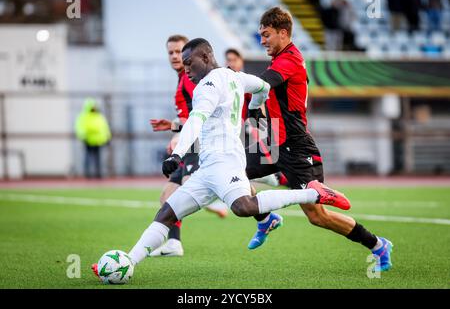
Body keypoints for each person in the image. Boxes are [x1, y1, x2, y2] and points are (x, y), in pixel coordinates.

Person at [92, 38, 351, 277]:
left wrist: (178, 154)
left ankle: (313, 193)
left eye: (189, 62)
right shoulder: (233, 76)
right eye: (183, 65)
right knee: (166, 213)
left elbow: (196, 119)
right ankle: (128, 262)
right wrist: (253, 106)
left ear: (205, 56)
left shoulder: (206, 86)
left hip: (225, 161)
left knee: (243, 207)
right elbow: (262, 87)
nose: (187, 69)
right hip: (208, 167)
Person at [244, 7, 393, 271]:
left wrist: (230, 82)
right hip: (277, 143)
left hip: (296, 147)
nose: (262, 41)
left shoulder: (289, 59)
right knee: (237, 175)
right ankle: (266, 219)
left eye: (266, 35)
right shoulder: (279, 58)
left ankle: (377, 244)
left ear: (282, 32)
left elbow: (263, 85)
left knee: (318, 217)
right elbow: (264, 99)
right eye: (260, 36)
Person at [148, 35, 228, 257]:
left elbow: (201, 115)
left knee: (188, 185)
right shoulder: (182, 79)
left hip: (197, 142)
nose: (175, 56)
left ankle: (219, 197)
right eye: (170, 52)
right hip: (188, 141)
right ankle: (174, 243)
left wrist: (178, 136)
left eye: (178, 51)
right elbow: (187, 117)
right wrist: (173, 126)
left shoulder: (191, 80)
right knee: (167, 196)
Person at [225, 48, 287, 187]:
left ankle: (276, 177)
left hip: (246, 130)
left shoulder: (245, 81)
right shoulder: (225, 81)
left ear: (241, 62)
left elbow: (260, 103)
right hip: (233, 131)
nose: (232, 63)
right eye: (229, 60)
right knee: (235, 167)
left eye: (235, 60)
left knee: (240, 167)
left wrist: (258, 124)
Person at [75, 98, 111, 179]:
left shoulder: (99, 116)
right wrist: (83, 137)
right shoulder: (83, 116)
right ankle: (87, 175)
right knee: (88, 158)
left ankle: (98, 174)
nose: (94, 108)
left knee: (97, 158)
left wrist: (108, 138)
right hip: (88, 140)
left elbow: (105, 128)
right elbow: (80, 128)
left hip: (98, 141)